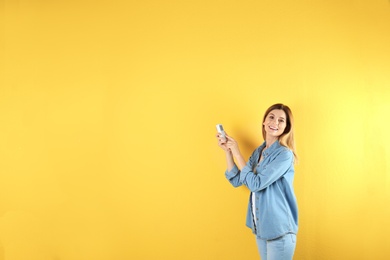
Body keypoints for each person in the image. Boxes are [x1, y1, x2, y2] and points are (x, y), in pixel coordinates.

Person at [216, 103, 298, 260]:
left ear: (286, 127)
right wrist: (229, 151)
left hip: (279, 230)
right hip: (261, 227)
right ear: (264, 121)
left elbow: (256, 184)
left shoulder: (284, 155)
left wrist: (238, 152)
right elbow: (237, 180)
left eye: (281, 120)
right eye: (271, 117)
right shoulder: (259, 151)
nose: (275, 123)